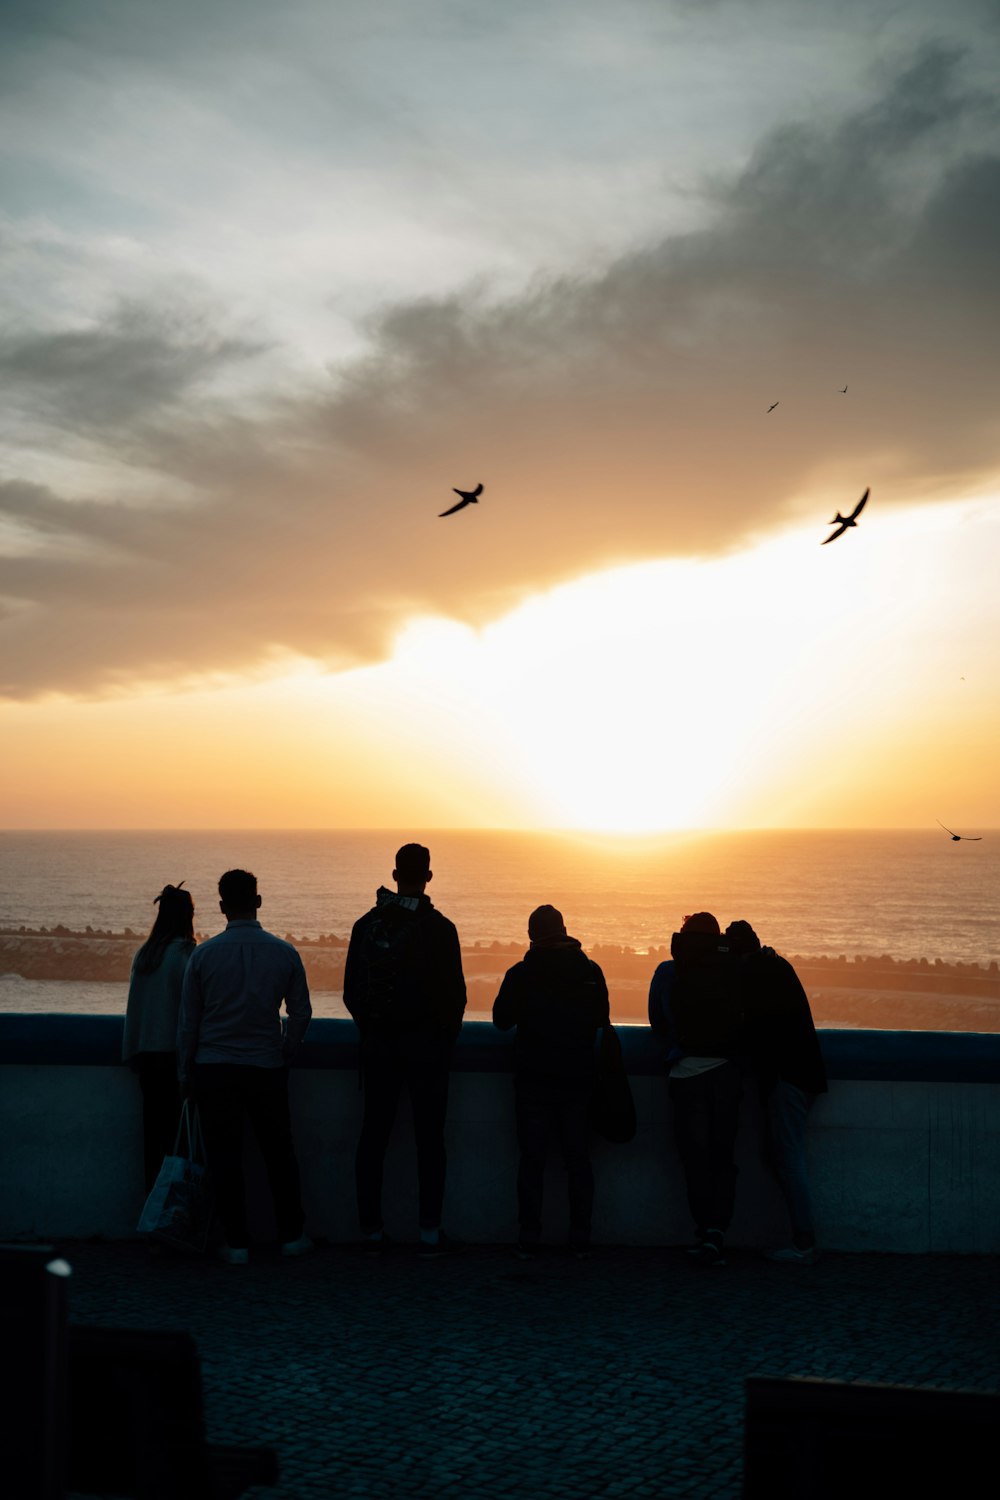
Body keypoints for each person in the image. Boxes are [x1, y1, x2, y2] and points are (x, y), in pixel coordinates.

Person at [177, 869, 313, 1264]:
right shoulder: (284, 953)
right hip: (266, 1065)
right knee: (278, 1154)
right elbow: (301, 1013)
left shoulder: (204, 955)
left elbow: (188, 1023)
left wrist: (185, 1075)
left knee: (224, 1156)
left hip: (214, 1068)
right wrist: (285, 1049)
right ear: (258, 902)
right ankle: (291, 1235)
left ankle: (236, 1241)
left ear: (221, 907)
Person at [344, 843, 466, 1257]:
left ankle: (370, 1230)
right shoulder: (440, 928)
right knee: (430, 1141)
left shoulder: (366, 926)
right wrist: (441, 1041)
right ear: (428, 877)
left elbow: (350, 993)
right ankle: (430, 1232)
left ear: (394, 876)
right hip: (428, 1052)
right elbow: (456, 997)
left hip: (378, 1049)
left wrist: (373, 1032)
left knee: (373, 1136)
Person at [493, 904, 610, 1259]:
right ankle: (580, 1235)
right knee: (578, 1159)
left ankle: (530, 1235)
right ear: (564, 929)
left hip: (534, 1080)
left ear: (531, 935)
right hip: (577, 1078)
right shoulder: (590, 970)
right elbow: (602, 1019)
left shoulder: (522, 973)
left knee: (532, 1160)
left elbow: (501, 1020)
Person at [726, 919, 828, 1264]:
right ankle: (801, 1236)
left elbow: (750, 1029)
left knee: (789, 1159)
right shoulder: (776, 965)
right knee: (782, 1157)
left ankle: (803, 1241)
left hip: (786, 1079)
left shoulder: (754, 975)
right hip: (802, 1075)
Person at [648, 911, 746, 1266]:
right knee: (723, 1155)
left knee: (695, 1158)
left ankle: (704, 1229)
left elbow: (657, 1023)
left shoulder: (668, 971)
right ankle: (718, 1231)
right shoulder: (735, 967)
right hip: (727, 1073)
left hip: (687, 1073)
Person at [123, 882, 196, 1193]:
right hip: (175, 1059)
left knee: (152, 1141)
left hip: (147, 1057)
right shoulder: (186, 954)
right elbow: (190, 1017)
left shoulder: (146, 954)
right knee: (181, 1145)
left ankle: (152, 1220)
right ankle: (177, 1223)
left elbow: (135, 1010)